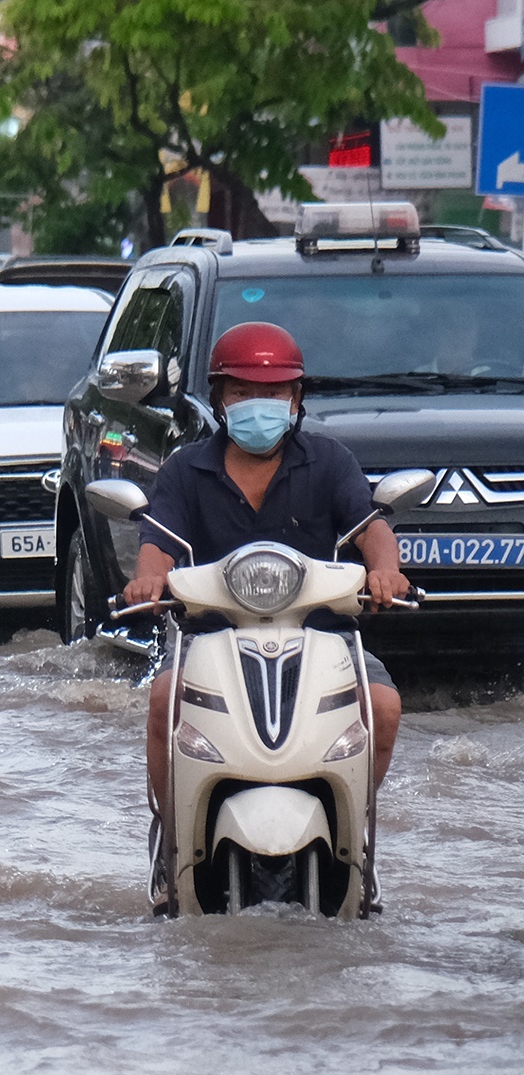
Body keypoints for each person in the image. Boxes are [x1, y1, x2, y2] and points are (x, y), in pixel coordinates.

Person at [120, 323, 410, 900]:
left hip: (325, 636)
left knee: (384, 707)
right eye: (243, 392)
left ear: (297, 399)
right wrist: (147, 580)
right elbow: (158, 544)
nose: (260, 405)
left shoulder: (329, 461)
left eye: (275, 393)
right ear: (219, 398)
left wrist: (386, 571)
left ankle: (355, 838)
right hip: (209, 640)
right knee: (162, 701)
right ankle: (171, 842)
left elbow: (372, 529)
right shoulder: (186, 469)